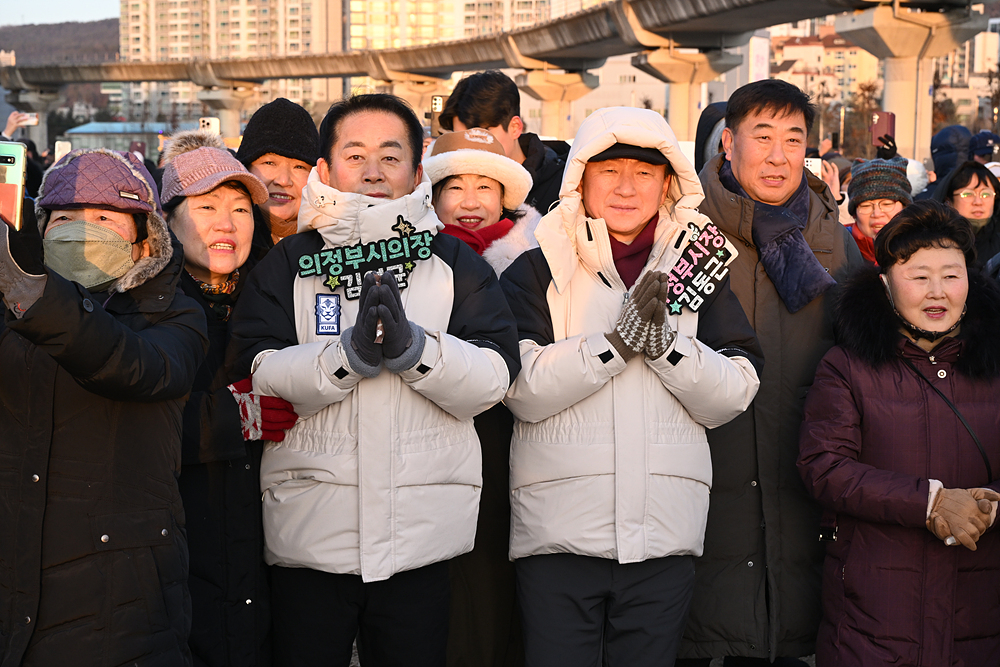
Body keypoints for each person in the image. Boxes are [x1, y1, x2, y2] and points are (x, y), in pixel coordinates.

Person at [227, 93, 521, 667]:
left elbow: (495, 375)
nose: (372, 172)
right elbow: (254, 373)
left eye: (390, 156)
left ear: (417, 168)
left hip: (421, 543)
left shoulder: (454, 263)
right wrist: (345, 359)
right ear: (325, 168)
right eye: (354, 155)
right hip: (309, 537)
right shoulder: (288, 264)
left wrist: (418, 352)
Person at [500, 106, 762, 667]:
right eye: (609, 171)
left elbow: (736, 390)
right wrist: (613, 346)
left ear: (668, 184)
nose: (626, 187)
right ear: (580, 180)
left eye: (644, 173)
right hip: (558, 537)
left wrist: (667, 348)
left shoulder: (698, 267)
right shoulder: (538, 267)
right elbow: (518, 389)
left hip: (663, 539)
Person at [679, 79, 864, 667]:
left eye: (793, 139)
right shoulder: (686, 227)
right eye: (762, 137)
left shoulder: (829, 235)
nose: (779, 156)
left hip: (801, 471)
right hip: (705, 470)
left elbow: (861, 350)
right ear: (727, 143)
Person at [0, 149, 208, 665]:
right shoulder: (11, 310)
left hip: (124, 606)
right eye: (63, 218)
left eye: (103, 218)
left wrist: (36, 295)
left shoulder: (174, 316)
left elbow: (133, 366)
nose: (80, 231)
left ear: (144, 241)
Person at [798, 200, 1000, 667]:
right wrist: (929, 502)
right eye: (919, 276)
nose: (937, 292)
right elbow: (823, 466)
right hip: (873, 618)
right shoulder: (848, 367)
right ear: (886, 284)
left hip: (980, 618)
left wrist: (991, 504)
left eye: (951, 275)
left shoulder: (994, 366)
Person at [159, 132, 289, 667]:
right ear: (168, 221)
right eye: (206, 207)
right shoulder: (143, 311)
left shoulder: (277, 301)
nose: (226, 223)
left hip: (269, 554)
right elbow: (131, 429)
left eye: (240, 209)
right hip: (183, 556)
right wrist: (234, 418)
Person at [422, 126, 536, 666]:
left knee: (497, 565)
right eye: (455, 186)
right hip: (432, 435)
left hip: (512, 435)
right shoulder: (410, 257)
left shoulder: (536, 256)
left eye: (485, 187)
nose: (470, 201)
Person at [439, 70, 565, 214]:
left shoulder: (565, 186)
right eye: (459, 137)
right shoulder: (442, 183)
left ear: (515, 127)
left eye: (481, 136)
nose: (470, 148)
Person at [236, 97, 321, 247]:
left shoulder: (339, 242)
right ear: (245, 168)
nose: (283, 181)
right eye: (269, 163)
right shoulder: (224, 241)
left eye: (299, 167)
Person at [845, 156, 912, 264]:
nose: (876, 214)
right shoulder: (837, 247)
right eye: (866, 206)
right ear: (854, 213)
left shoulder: (925, 247)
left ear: (904, 208)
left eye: (887, 204)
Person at [933, 160, 1000, 267]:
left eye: (986, 194)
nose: (978, 202)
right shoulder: (932, 243)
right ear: (948, 201)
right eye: (968, 194)